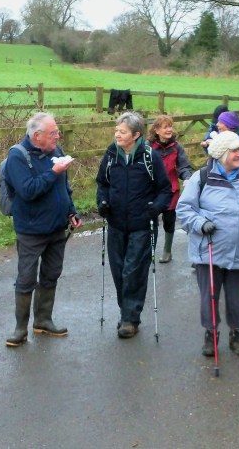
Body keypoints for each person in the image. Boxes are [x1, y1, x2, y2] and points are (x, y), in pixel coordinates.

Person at [176, 131, 239, 357]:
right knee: (209, 296)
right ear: (221, 154)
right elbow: (184, 209)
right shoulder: (201, 178)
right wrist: (201, 223)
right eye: (235, 150)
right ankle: (211, 334)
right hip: (208, 249)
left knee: (237, 297)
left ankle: (237, 334)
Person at [3, 113, 81, 346]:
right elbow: (28, 190)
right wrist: (53, 172)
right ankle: (20, 329)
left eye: (57, 131)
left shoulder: (55, 151)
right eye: (53, 132)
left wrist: (71, 211)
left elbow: (63, 187)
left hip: (57, 227)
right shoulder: (17, 157)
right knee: (26, 278)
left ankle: (43, 320)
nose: (58, 136)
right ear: (37, 136)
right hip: (31, 230)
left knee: (51, 273)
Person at [97, 112, 172, 339]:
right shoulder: (111, 154)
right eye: (116, 131)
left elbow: (165, 189)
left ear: (136, 135)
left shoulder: (149, 157)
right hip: (116, 223)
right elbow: (102, 183)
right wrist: (102, 202)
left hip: (142, 224)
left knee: (134, 271)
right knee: (119, 271)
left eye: (122, 132)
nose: (117, 135)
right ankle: (126, 312)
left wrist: (157, 207)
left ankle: (130, 319)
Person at [148, 115, 193, 263]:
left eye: (170, 126)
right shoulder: (148, 147)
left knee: (169, 220)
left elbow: (183, 167)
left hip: (171, 190)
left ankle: (167, 251)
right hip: (152, 190)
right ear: (156, 130)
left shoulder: (177, 147)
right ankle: (149, 250)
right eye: (165, 127)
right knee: (151, 220)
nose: (169, 130)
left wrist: (187, 178)